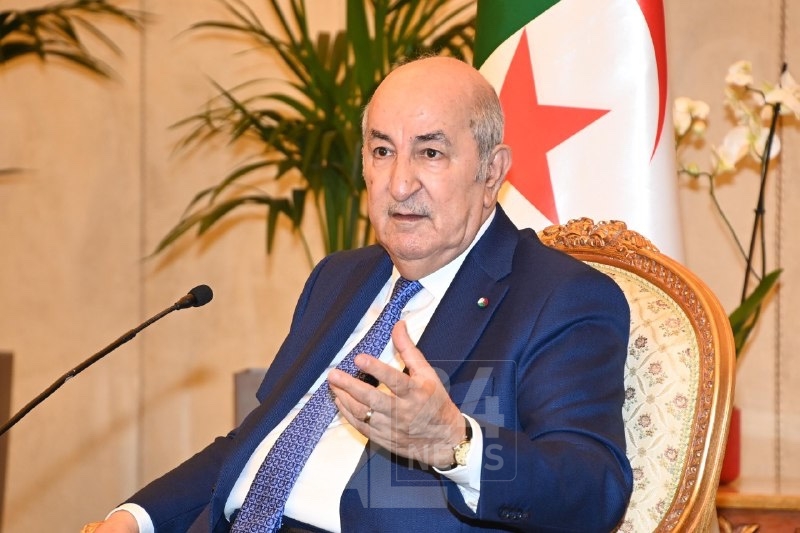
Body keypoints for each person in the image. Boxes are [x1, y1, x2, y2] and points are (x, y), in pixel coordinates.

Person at [86, 56, 632, 533]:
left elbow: (594, 489)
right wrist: (134, 518)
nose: (399, 184)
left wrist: (455, 443)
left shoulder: (559, 297)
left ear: (491, 172)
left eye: (431, 153)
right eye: (382, 150)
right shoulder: (339, 278)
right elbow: (256, 440)